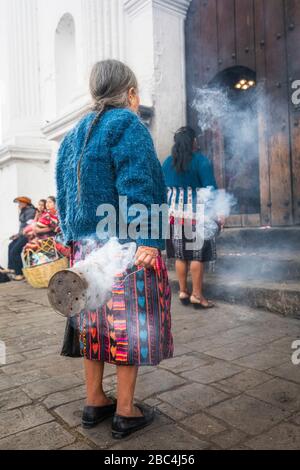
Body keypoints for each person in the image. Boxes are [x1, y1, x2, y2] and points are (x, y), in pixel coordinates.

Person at [56, 59, 173, 438]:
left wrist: (71, 242)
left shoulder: (72, 135)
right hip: (124, 248)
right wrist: (151, 239)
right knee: (126, 328)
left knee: (92, 325)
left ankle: (94, 402)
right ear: (132, 93)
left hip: (84, 251)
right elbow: (138, 182)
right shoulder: (127, 124)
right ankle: (125, 410)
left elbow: (64, 197)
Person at [162, 126, 224, 309]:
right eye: (195, 139)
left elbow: (163, 189)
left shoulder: (167, 162)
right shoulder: (201, 161)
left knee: (181, 256)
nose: (197, 142)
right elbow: (210, 190)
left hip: (174, 217)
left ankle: (183, 291)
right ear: (192, 142)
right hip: (197, 217)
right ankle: (197, 295)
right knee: (197, 256)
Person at [7, 197, 36, 281]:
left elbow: (28, 227)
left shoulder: (31, 211)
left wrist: (19, 235)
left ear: (25, 203)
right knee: (10, 245)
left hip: (27, 236)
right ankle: (12, 268)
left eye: (20, 203)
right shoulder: (24, 211)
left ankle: (19, 273)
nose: (18, 205)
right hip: (21, 235)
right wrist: (17, 235)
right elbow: (22, 227)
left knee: (15, 251)